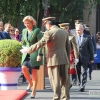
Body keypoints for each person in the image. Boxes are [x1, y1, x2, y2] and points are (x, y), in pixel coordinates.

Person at [20, 17, 70, 100]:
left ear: (48, 24)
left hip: (53, 60)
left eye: (45, 24)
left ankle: (56, 98)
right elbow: (68, 47)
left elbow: (40, 43)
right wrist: (67, 59)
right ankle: (65, 98)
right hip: (64, 60)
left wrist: (28, 50)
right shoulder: (64, 32)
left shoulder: (49, 32)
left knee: (55, 81)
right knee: (65, 81)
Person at [21, 15, 43, 98]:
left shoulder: (37, 30)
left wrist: (39, 55)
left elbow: (41, 43)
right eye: (25, 23)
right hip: (26, 53)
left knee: (34, 72)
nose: (26, 25)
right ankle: (30, 83)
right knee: (23, 68)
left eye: (28, 23)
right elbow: (23, 42)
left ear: (32, 23)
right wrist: (23, 48)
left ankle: (34, 90)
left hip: (35, 53)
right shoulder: (23, 31)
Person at [58, 23, 79, 87]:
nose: (63, 30)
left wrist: (76, 57)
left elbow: (75, 47)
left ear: (67, 29)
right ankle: (66, 83)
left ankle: (68, 83)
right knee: (61, 70)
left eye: (64, 29)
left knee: (69, 70)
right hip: (61, 55)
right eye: (62, 29)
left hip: (69, 55)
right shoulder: (59, 36)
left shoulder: (72, 37)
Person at [75, 24, 94, 92]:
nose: (78, 31)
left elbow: (91, 49)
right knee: (78, 72)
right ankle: (79, 84)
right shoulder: (74, 37)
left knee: (84, 72)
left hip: (85, 58)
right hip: (76, 58)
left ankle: (83, 85)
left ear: (82, 30)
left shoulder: (87, 37)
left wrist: (91, 58)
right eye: (77, 30)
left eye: (79, 30)